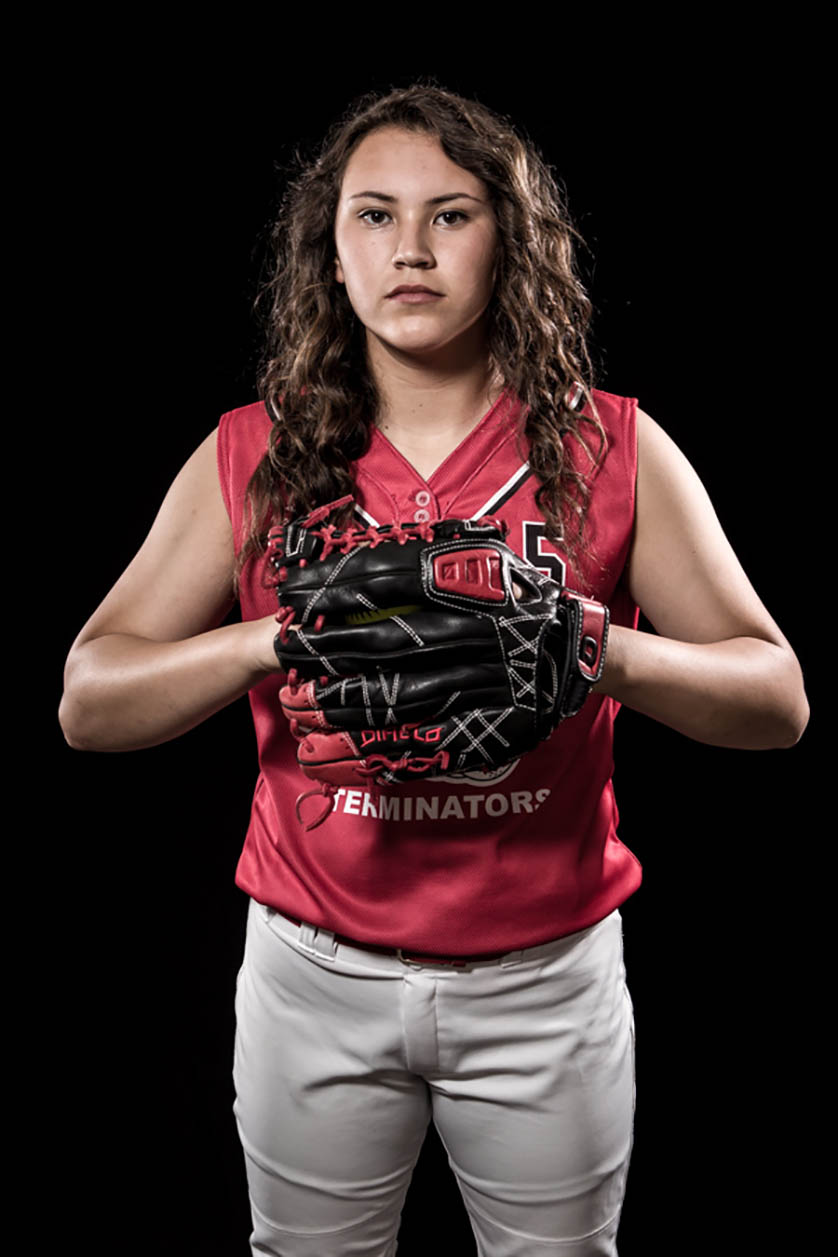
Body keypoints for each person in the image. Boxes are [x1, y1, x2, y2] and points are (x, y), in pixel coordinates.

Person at [58, 83, 809, 1257]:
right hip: (314, 969)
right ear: (331, 252)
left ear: (509, 243)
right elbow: (90, 700)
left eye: (451, 214)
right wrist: (285, 636)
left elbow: (775, 699)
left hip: (542, 977)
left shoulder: (609, 445)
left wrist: (584, 642)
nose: (409, 248)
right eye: (374, 215)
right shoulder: (259, 451)